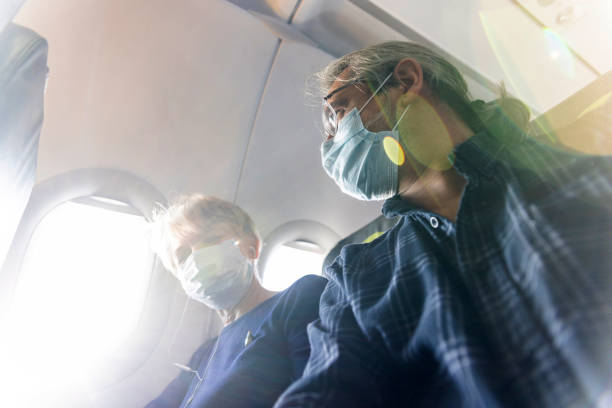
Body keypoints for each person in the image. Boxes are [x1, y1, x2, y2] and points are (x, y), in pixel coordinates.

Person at [275, 41, 612, 407]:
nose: (329, 140)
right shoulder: (356, 279)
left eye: (337, 111)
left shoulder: (584, 168)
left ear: (405, 81)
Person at [145, 194, 327, 408]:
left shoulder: (300, 299)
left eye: (211, 240)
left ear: (252, 246)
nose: (198, 257)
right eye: (184, 255)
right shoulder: (205, 353)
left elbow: (318, 396)